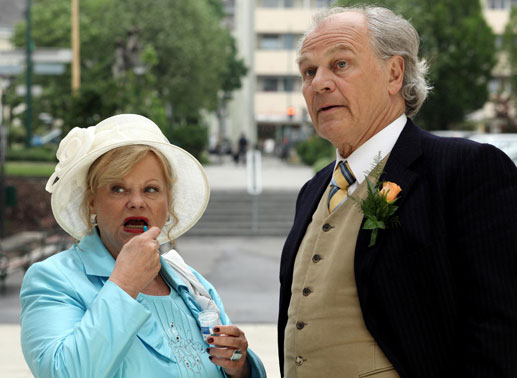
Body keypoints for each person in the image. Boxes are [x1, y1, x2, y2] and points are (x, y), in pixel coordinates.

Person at [278, 5, 517, 378]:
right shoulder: (312, 190)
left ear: (394, 73)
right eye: (309, 71)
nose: (319, 83)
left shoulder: (466, 170)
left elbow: (501, 331)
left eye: (340, 64)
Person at [20, 114, 266, 378]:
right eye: (118, 189)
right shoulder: (53, 280)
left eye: (150, 189)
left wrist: (239, 365)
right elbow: (63, 373)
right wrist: (124, 283)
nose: (136, 202)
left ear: (167, 202)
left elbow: (231, 362)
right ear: (92, 202)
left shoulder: (191, 283)